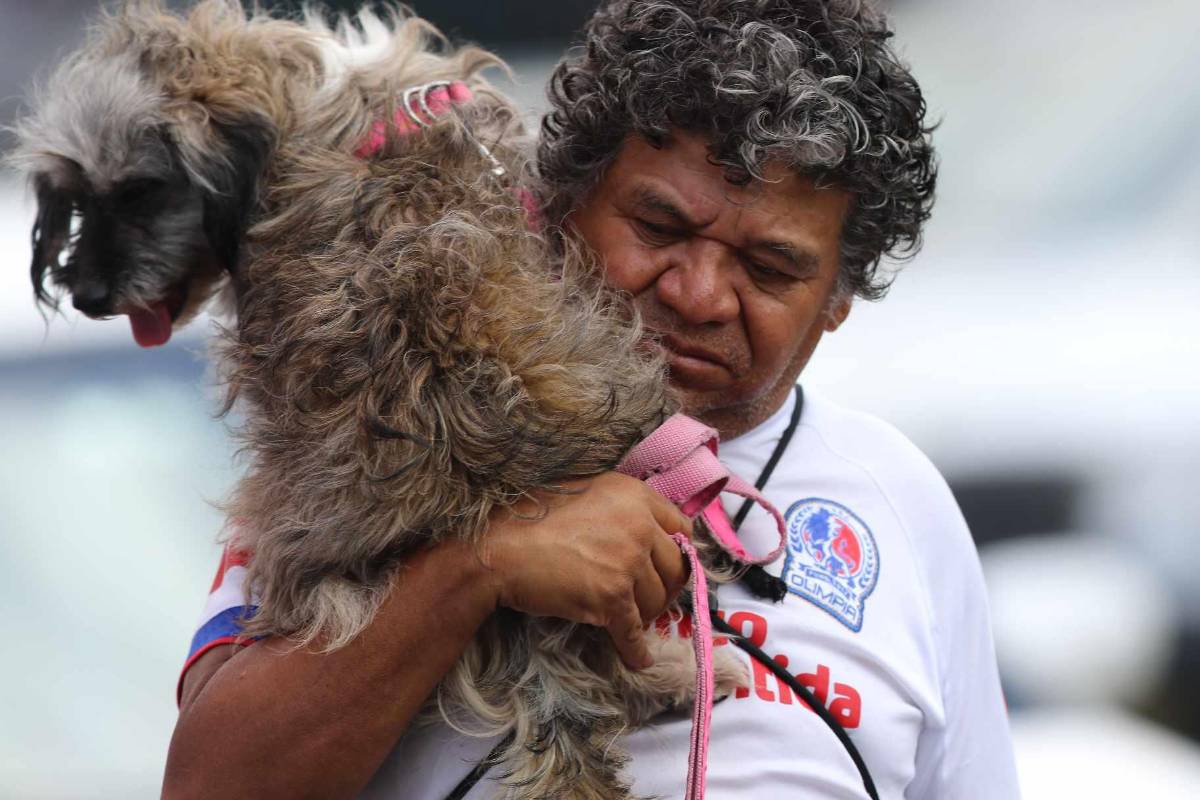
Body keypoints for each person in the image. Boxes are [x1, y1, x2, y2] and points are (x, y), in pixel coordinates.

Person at [164, 1, 1021, 798]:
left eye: (769, 270)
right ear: (559, 204)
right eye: (659, 228)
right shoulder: (379, 421)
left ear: (837, 300)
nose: (698, 293)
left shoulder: (898, 504)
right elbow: (208, 785)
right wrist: (474, 570)